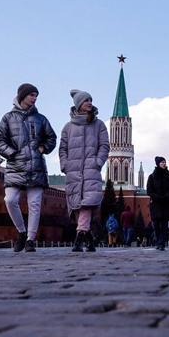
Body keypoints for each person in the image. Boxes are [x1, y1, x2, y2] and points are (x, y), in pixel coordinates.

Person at [0, 83, 57, 252]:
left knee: (34, 204)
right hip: (15, 166)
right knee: (10, 200)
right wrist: (12, 153)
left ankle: (30, 240)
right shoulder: (8, 118)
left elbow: (51, 138)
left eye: (36, 96)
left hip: (35, 166)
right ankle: (21, 232)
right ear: (23, 96)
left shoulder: (41, 119)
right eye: (32, 95)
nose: (34, 98)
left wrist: (43, 148)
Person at [59, 89, 109, 252]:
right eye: (86, 100)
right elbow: (63, 149)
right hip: (73, 171)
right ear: (79, 104)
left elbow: (104, 146)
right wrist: (65, 165)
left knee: (87, 203)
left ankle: (79, 236)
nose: (90, 103)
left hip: (91, 170)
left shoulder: (98, 124)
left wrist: (98, 162)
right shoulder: (68, 127)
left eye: (90, 100)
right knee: (77, 206)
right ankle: (89, 238)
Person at [146, 156, 169, 251]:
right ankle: (158, 240)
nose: (164, 164)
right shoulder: (152, 176)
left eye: (164, 162)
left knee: (164, 224)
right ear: (158, 164)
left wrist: (167, 196)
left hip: (166, 203)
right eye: (162, 162)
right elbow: (149, 190)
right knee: (156, 224)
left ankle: (161, 243)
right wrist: (156, 197)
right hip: (156, 203)